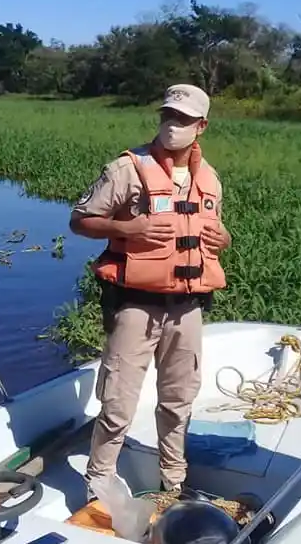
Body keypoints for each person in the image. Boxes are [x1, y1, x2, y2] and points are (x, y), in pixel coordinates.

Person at [69, 83, 231, 497]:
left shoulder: (209, 179)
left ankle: (173, 483)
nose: (172, 126)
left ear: (202, 126)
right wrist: (128, 227)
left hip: (187, 308)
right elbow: (81, 220)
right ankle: (98, 482)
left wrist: (223, 240)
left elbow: (216, 233)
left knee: (178, 403)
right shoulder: (126, 168)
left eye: (182, 119)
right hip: (136, 306)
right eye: (167, 116)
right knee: (118, 403)